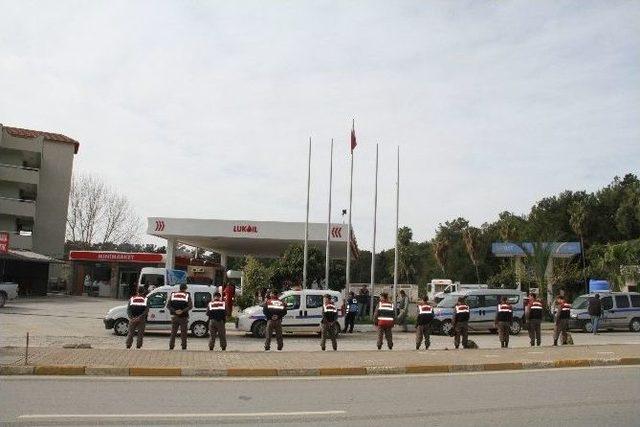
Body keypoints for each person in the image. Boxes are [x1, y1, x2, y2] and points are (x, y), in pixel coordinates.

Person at [168, 284, 192, 350]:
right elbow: (190, 306)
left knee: (173, 333)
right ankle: (183, 347)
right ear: (185, 288)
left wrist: (175, 311)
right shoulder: (187, 295)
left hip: (175, 316)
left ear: (180, 288)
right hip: (184, 317)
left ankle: (171, 346)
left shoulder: (173, 295)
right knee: (183, 333)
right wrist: (182, 311)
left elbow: (168, 306)